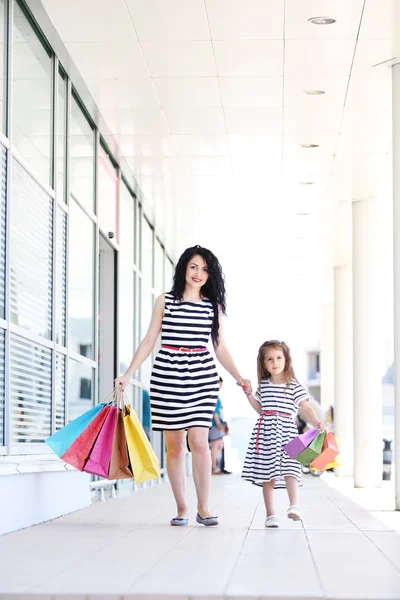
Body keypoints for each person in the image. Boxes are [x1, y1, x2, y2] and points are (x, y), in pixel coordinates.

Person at [115, 245, 247, 527]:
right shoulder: (165, 301)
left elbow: (220, 347)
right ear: (184, 269)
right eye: (194, 267)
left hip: (202, 376)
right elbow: (150, 340)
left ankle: (204, 506)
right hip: (167, 375)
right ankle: (182, 507)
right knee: (174, 447)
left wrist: (238, 376)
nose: (199, 273)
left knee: (199, 441)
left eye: (205, 269)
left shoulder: (213, 307)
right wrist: (128, 374)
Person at [241, 340, 326, 528]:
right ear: (263, 364)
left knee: (291, 468)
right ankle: (270, 515)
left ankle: (293, 506)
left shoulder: (293, 385)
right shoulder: (263, 385)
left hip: (288, 431)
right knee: (267, 474)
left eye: (279, 358)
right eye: (269, 359)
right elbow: (260, 409)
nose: (275, 362)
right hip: (266, 433)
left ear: (286, 360)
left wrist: (316, 422)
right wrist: (248, 395)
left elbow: (306, 407)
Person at [209, 376, 230, 474]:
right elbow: (215, 413)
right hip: (214, 426)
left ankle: (216, 466)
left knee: (219, 445)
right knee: (215, 445)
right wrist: (219, 424)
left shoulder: (215, 397)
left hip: (216, 425)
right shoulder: (214, 397)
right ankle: (213, 467)